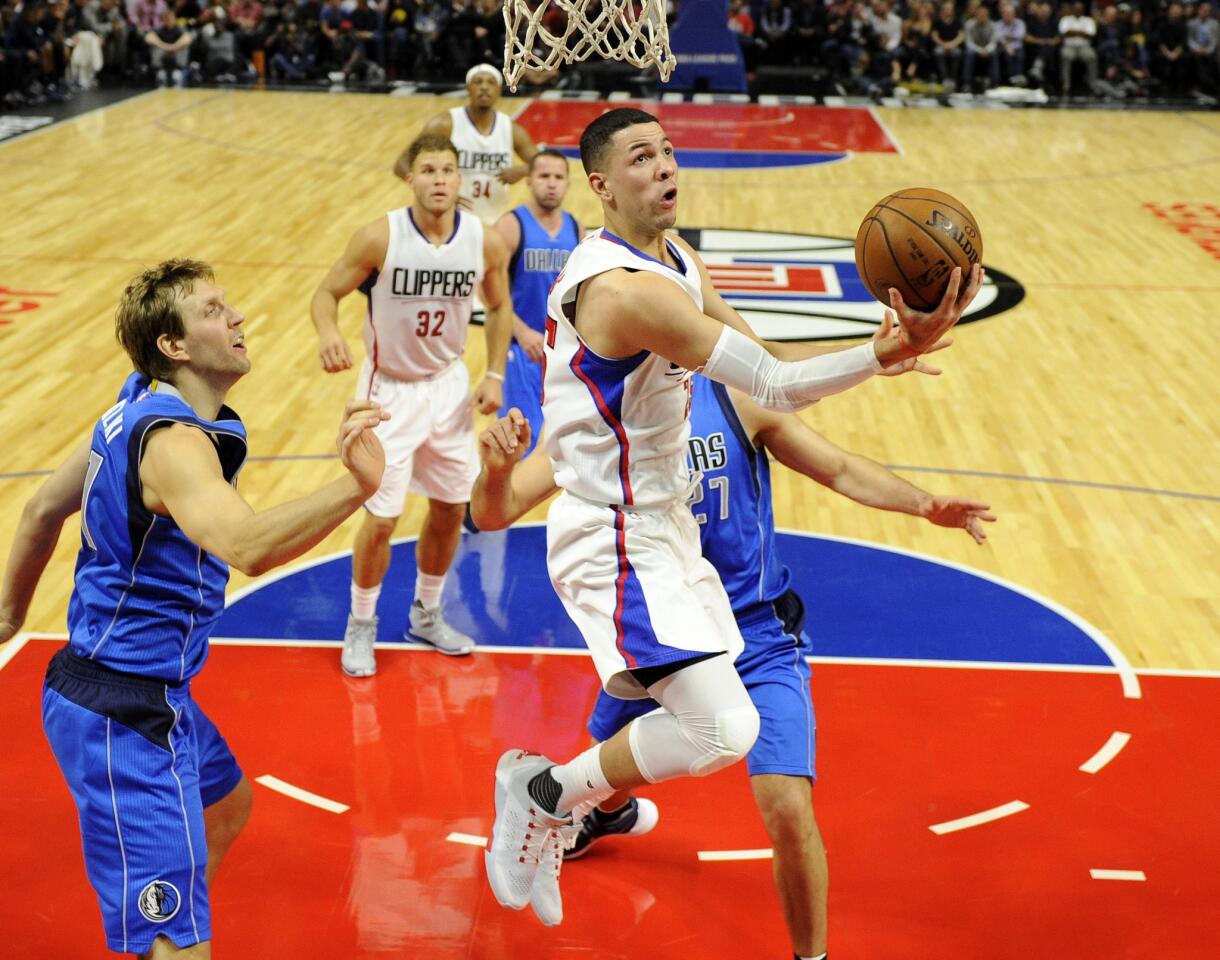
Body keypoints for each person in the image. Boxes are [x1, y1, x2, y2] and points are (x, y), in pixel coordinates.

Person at [477, 107, 984, 928]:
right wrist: (883, 352)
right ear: (600, 184)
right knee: (722, 730)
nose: (666, 166)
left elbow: (761, 382)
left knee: (721, 727)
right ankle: (542, 792)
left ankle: (553, 793)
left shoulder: (678, 258)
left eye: (670, 150)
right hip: (609, 533)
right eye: (642, 157)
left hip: (665, 529)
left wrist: (879, 360)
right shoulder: (620, 291)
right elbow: (777, 388)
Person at [472, 350, 995, 957]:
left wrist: (925, 505)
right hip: (664, 625)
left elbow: (841, 470)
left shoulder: (734, 398)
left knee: (787, 808)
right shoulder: (598, 424)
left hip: (757, 633)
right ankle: (595, 812)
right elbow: (493, 513)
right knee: (615, 769)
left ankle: (810, 957)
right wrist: (497, 470)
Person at [0, 259, 388, 958]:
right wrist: (356, 488)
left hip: (148, 694)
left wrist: (7, 618)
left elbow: (37, 513)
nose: (236, 317)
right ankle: (163, 933)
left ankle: (159, 916)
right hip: (123, 713)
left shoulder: (130, 414)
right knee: (178, 944)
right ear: (173, 346)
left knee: (228, 802)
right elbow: (246, 545)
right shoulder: (174, 445)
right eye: (213, 310)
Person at [310, 132, 515, 676]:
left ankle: (426, 612)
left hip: (448, 387)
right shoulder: (380, 237)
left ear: (460, 179)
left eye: (448, 171)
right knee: (380, 518)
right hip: (387, 393)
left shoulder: (484, 240)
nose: (440, 180)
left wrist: (494, 372)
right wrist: (328, 331)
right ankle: (361, 623)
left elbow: (499, 307)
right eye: (428, 171)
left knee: (451, 508)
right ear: (411, 178)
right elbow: (325, 293)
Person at [492, 148, 584, 455]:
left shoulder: (577, 230)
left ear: (568, 184)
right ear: (529, 181)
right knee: (519, 442)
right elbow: (489, 290)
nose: (551, 183)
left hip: (562, 353)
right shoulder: (510, 225)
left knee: (565, 446)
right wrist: (520, 331)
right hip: (522, 350)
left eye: (559, 177)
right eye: (544, 176)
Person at [394, 62, 539, 225]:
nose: (484, 87)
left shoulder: (510, 129)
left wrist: (524, 170)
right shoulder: (445, 124)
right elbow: (402, 164)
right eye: (478, 82)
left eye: (491, 82)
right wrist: (434, 192)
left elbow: (544, 164)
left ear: (499, 90)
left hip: (495, 219)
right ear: (468, 88)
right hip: (450, 219)